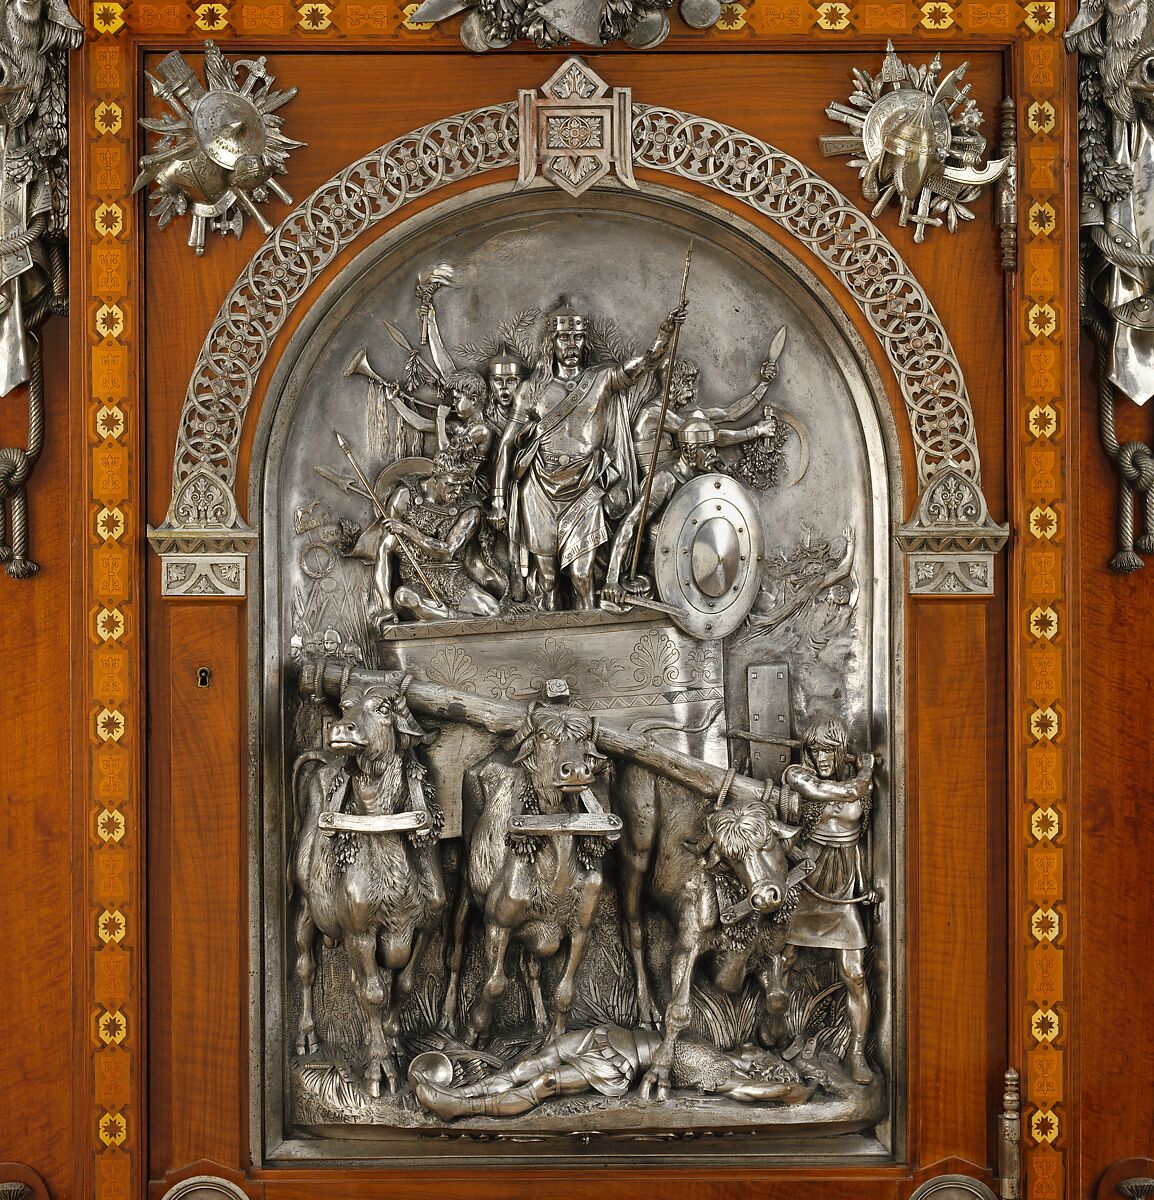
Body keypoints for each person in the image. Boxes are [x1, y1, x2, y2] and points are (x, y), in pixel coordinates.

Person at [488, 301, 684, 611]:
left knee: (582, 577)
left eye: (577, 337)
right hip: (539, 488)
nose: (571, 345)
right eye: (564, 338)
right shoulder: (531, 389)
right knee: (549, 580)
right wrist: (498, 500)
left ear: (585, 341)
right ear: (550, 342)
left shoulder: (602, 378)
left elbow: (644, 364)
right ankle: (551, 649)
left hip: (586, 484)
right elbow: (506, 445)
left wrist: (664, 334)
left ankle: (595, 647)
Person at [408, 1022, 826, 1120]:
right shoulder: (733, 1050)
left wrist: (798, 1092)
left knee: (546, 1082)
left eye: (770, 1069)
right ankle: (460, 1092)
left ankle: (462, 1109)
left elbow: (753, 1093)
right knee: (529, 1062)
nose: (765, 1062)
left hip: (618, 1065)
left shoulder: (722, 1073)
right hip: (608, 1034)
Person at [777, 718, 877, 1085]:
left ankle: (856, 1052)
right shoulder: (797, 778)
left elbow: (871, 838)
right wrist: (866, 768)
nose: (820, 757)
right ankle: (775, 1037)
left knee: (854, 974)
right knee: (784, 961)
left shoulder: (862, 789)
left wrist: (872, 885)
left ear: (840, 750)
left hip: (843, 890)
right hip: (806, 882)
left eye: (828, 750)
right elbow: (841, 791)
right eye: (814, 750)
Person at [342, 448, 503, 626]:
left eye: (462, 485)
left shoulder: (470, 509)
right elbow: (385, 550)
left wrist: (408, 530)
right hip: (416, 579)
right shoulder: (405, 497)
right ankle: (456, 617)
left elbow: (447, 552)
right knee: (404, 597)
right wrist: (386, 606)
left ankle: (449, 616)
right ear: (436, 476)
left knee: (494, 611)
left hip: (452, 577)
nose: (457, 492)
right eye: (451, 484)